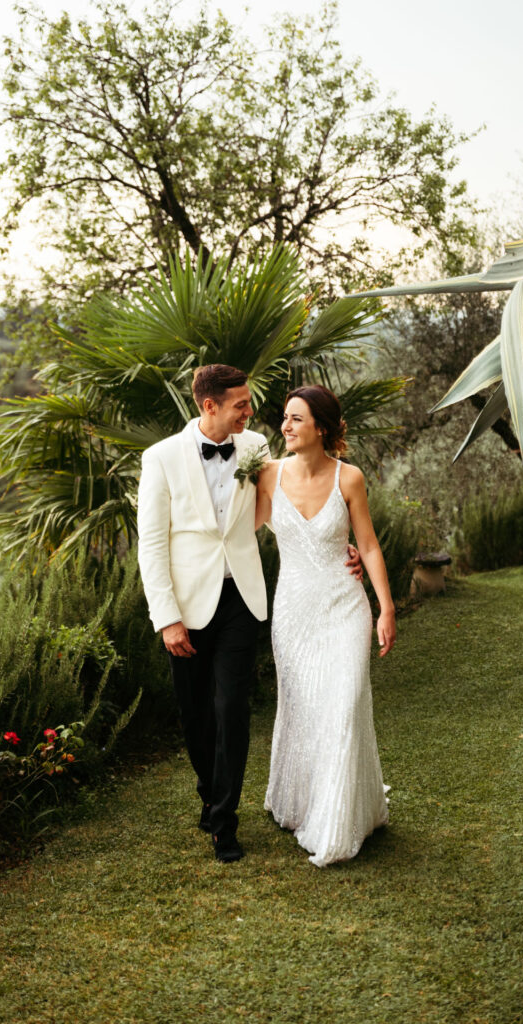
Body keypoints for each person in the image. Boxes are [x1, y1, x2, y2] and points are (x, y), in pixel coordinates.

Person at [137, 364, 363, 863]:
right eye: (240, 403)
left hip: (243, 597)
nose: (250, 411)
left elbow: (302, 493)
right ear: (209, 405)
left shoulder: (258, 448)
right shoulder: (160, 459)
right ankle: (210, 792)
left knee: (232, 709)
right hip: (187, 607)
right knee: (196, 715)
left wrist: (340, 548)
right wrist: (166, 618)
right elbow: (150, 546)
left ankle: (224, 823)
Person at [255, 384, 396, 867]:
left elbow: (370, 545)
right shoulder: (266, 475)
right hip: (294, 614)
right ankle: (304, 802)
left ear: (322, 427)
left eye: (295, 419)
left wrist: (386, 607)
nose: (285, 427)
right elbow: (235, 533)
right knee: (306, 709)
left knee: (344, 703)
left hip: (345, 608)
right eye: (285, 418)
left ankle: (339, 821)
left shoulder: (349, 478)